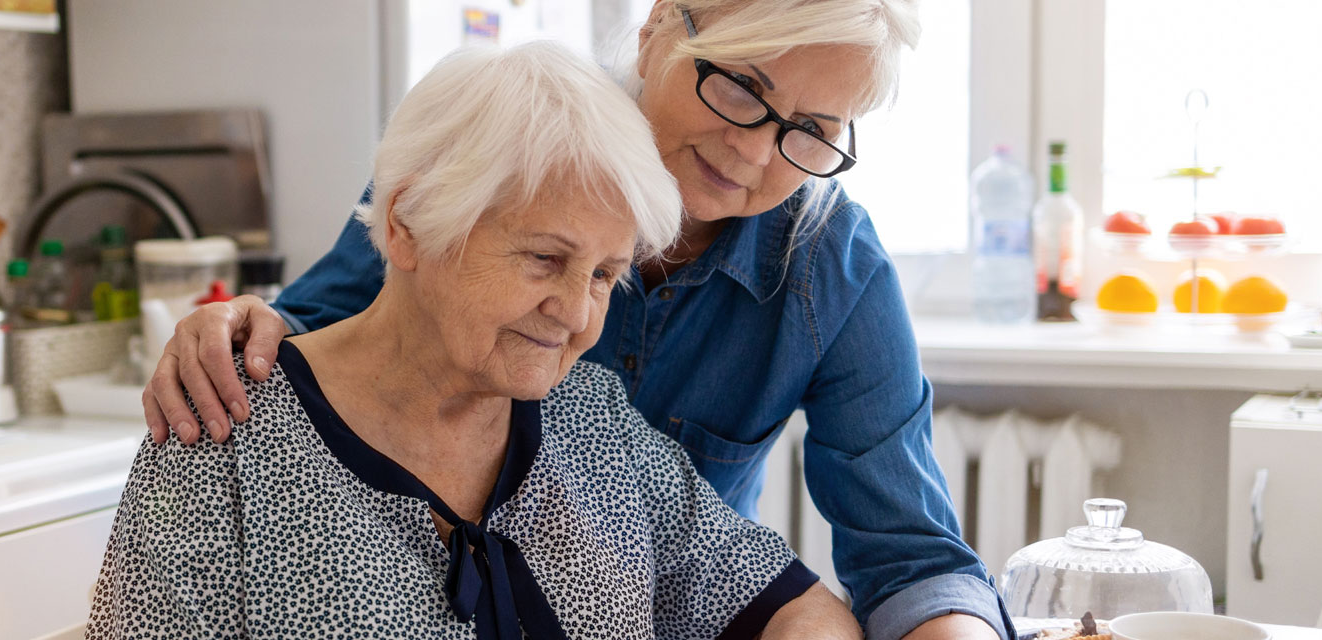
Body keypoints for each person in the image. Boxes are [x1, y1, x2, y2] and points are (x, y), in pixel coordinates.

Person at [141, 1, 1011, 639]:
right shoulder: (485, 154)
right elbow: (326, 344)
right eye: (743, 87)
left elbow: (908, 561)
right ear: (660, 27)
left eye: (813, 129)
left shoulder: (826, 271)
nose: (754, 149)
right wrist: (229, 332)